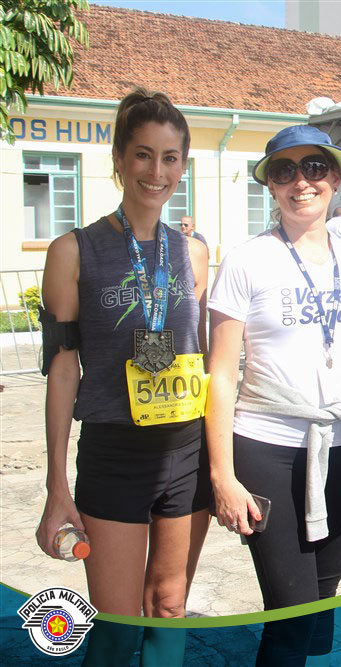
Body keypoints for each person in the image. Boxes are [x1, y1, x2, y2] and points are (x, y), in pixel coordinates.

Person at [36, 88, 211, 666]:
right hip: (114, 453)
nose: (156, 172)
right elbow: (63, 371)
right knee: (115, 628)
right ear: (118, 158)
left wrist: (221, 465)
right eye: (142, 154)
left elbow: (204, 356)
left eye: (169, 158)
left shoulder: (193, 254)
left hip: (185, 449)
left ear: (182, 166)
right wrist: (56, 485)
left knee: (169, 606)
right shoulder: (74, 251)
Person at [206, 124, 341, 665]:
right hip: (268, 448)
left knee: (323, 596)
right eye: (285, 171)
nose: (301, 182)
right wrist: (222, 476)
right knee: (292, 609)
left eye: (314, 168)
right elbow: (221, 374)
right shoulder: (247, 260)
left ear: (335, 178)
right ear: (270, 185)